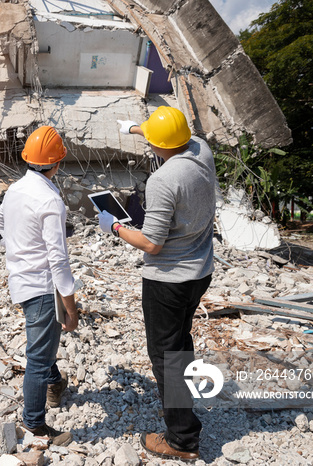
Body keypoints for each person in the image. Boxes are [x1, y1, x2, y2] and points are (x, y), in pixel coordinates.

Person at [100, 107, 216, 461]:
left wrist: (115, 227)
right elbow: (173, 136)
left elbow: (152, 243)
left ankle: (182, 439)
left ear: (158, 145)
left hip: (168, 279)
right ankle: (184, 399)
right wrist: (136, 128)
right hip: (200, 272)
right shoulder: (201, 151)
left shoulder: (163, 180)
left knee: (164, 356)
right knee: (179, 342)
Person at [0, 125, 79, 447]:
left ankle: (56, 384)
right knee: (38, 357)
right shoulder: (50, 200)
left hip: (20, 279)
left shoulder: (15, 189)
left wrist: (20, 250)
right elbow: (58, 260)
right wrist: (70, 308)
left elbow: (2, 224)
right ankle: (34, 423)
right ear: (57, 163)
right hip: (42, 287)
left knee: (42, 339)